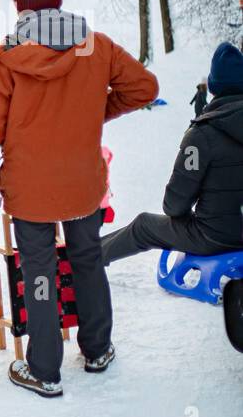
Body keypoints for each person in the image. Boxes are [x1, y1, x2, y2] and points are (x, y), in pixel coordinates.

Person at [0, 0, 158, 397]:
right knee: (87, 259)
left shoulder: (6, 55)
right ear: (57, 0)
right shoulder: (96, 45)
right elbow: (145, 88)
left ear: (20, 5)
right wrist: (94, 112)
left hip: (29, 187)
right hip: (82, 183)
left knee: (38, 269)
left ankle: (44, 369)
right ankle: (97, 350)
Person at [102, 42, 243, 265]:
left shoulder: (202, 135)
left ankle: (82, 260)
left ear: (213, 87)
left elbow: (174, 205)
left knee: (143, 226)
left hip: (214, 237)